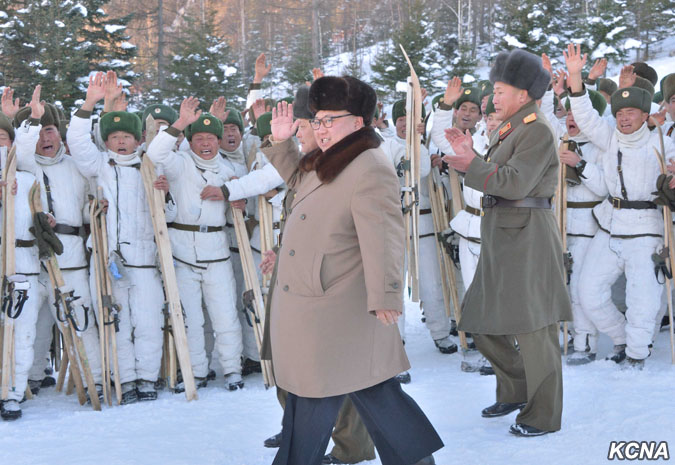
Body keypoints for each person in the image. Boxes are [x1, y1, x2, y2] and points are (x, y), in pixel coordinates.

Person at [263, 76, 442, 465]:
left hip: (337, 310)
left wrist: (386, 295)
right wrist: (282, 143)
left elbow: (384, 236)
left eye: (331, 120)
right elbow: (300, 182)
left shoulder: (368, 166)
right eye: (318, 119)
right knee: (373, 395)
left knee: (319, 399)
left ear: (359, 121)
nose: (321, 128)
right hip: (323, 306)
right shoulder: (332, 157)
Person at [445, 49, 572, 437]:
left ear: (523, 93)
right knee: (480, 318)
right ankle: (517, 388)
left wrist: (472, 165)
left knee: (536, 330)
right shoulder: (512, 127)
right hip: (501, 231)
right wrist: (473, 157)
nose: (493, 97)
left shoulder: (534, 128)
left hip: (527, 234)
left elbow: (515, 182)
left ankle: (543, 414)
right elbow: (498, 172)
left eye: (500, 91)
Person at [565, 43, 675, 368]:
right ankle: (622, 339)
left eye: (632, 113)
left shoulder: (662, 143)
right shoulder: (609, 136)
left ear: (646, 115)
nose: (624, 118)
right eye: (620, 113)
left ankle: (637, 355)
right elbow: (584, 114)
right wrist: (575, 76)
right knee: (589, 292)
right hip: (610, 226)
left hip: (646, 231)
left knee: (643, 298)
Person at [67, 72, 165, 404]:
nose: (121, 142)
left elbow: (170, 210)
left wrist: (164, 196)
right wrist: (90, 103)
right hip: (108, 260)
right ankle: (126, 378)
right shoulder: (100, 166)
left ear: (138, 140)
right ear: (106, 140)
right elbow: (78, 142)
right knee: (116, 322)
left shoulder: (150, 167)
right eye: (115, 136)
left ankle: (148, 376)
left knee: (149, 320)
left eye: (127, 136)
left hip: (144, 260)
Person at [146, 99, 245, 391]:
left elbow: (239, 211)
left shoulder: (227, 172)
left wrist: (238, 201)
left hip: (216, 251)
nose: (205, 143)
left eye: (210, 138)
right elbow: (155, 152)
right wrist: (179, 123)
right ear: (190, 142)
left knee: (225, 314)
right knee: (190, 317)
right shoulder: (180, 163)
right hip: (183, 252)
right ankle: (197, 370)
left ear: (217, 141)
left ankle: (232, 368)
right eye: (198, 138)